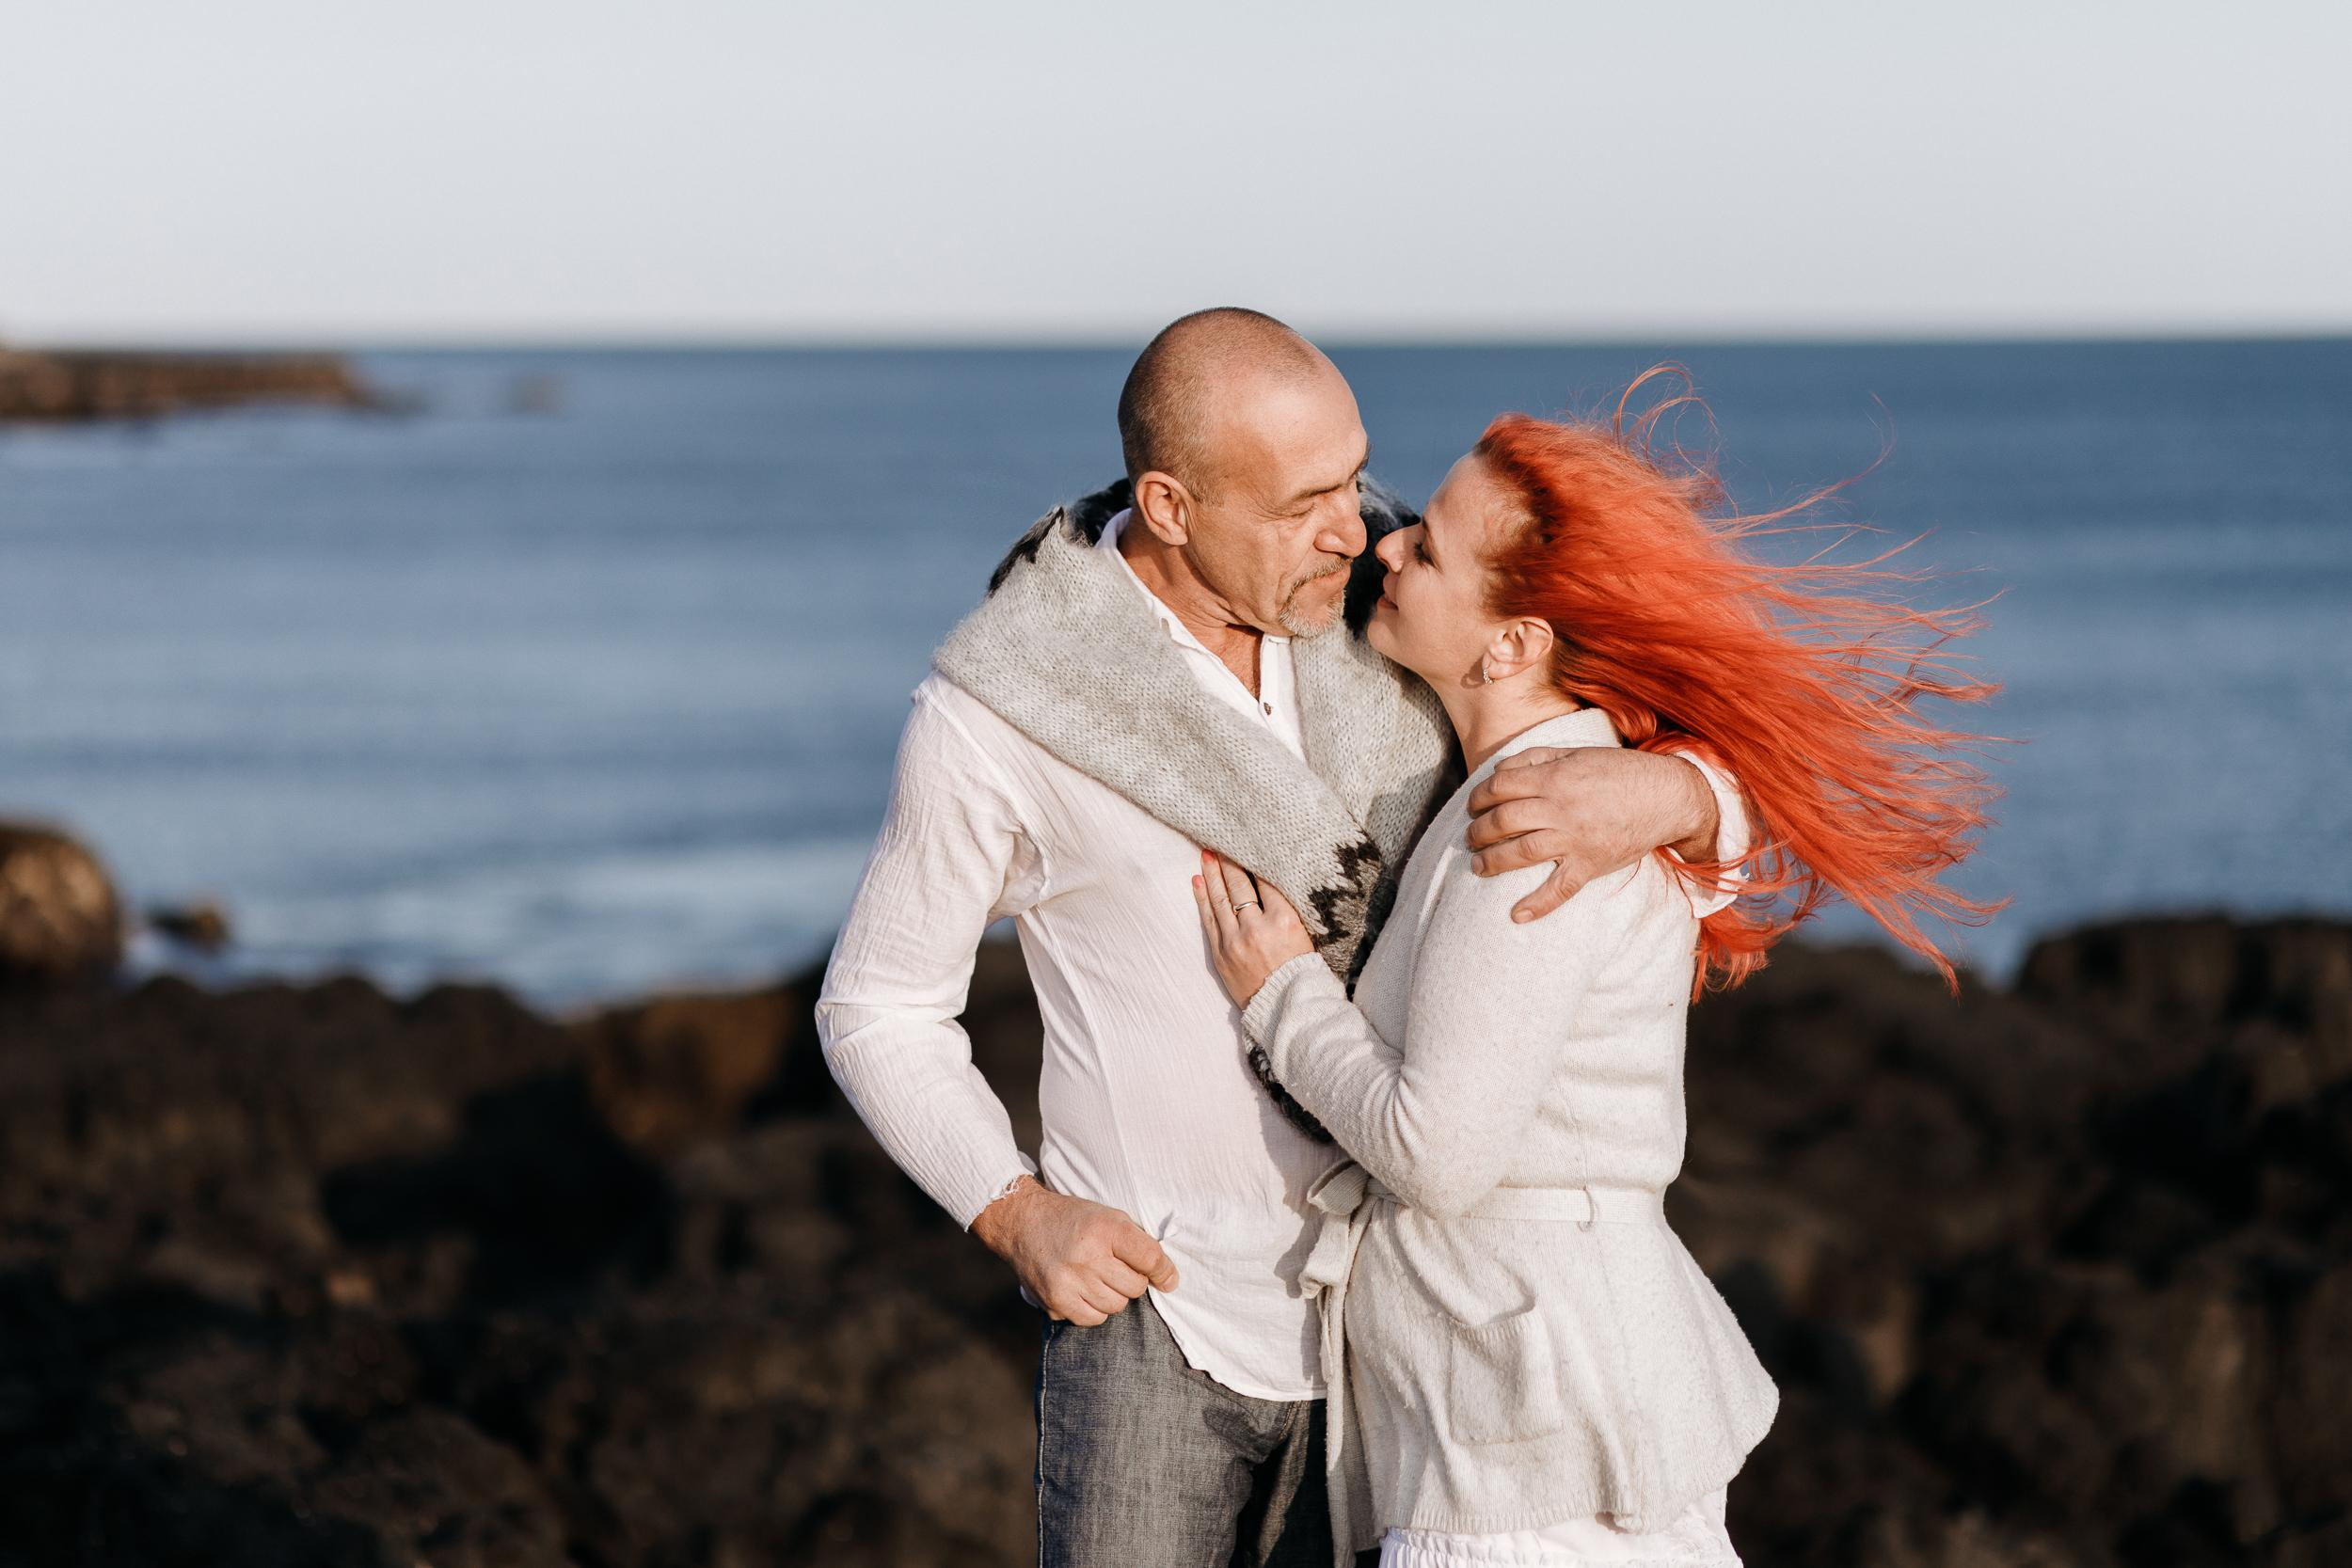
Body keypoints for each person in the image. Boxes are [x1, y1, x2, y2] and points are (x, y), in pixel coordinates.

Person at [814, 311, 1756, 1567]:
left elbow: (1649, 729)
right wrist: (1015, 1209)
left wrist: (1678, 792)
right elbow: (877, 1006)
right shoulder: (1008, 704)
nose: (1355, 529)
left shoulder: (1405, 608)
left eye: (1353, 478)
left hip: (1397, 1332)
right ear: (1170, 504)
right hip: (1158, 1310)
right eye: (1304, 503)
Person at [1192, 384, 1999, 1566]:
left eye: (1429, 546)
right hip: (1557, 1399)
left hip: (1528, 1437)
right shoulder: (1579, 783)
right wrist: (1692, 791)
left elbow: (1437, 1151)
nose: (1386, 544)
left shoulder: (1532, 824)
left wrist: (1282, 994)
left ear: (1514, 643)